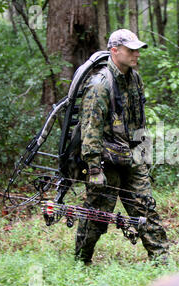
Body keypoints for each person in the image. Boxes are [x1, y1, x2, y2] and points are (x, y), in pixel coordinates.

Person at [74, 29, 169, 265]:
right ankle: (80, 262)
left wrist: (144, 155)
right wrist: (94, 170)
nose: (137, 54)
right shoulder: (100, 84)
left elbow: (139, 121)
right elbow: (90, 129)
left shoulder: (134, 78)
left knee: (145, 207)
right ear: (114, 51)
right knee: (97, 214)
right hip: (106, 161)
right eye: (131, 50)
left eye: (137, 49)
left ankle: (161, 262)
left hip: (132, 155)